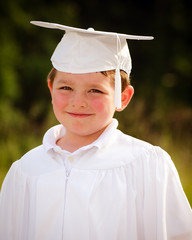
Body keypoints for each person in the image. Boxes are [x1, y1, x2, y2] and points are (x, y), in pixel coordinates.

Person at [0, 21, 192, 240]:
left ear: (123, 97)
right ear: (50, 89)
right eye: (66, 87)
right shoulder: (26, 170)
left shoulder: (147, 165)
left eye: (95, 90)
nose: (78, 102)